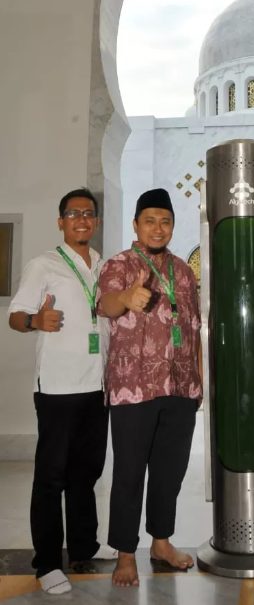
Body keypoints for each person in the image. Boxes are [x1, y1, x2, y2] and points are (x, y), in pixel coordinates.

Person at [7, 188, 114, 594]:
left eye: (88, 214)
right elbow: (15, 317)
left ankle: (84, 546)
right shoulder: (44, 265)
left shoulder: (104, 268)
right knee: (51, 477)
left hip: (96, 385)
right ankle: (48, 562)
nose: (82, 220)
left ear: (96, 221)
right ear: (61, 222)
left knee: (86, 474)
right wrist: (37, 320)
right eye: (73, 214)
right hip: (56, 388)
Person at [98, 188, 202, 587]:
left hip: (179, 388)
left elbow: (192, 328)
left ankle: (161, 541)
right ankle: (125, 553)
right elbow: (106, 304)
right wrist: (126, 296)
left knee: (170, 471)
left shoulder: (183, 270)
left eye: (165, 221)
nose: (158, 228)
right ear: (136, 225)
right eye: (150, 221)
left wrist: (198, 380)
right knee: (128, 472)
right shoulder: (120, 264)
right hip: (133, 390)